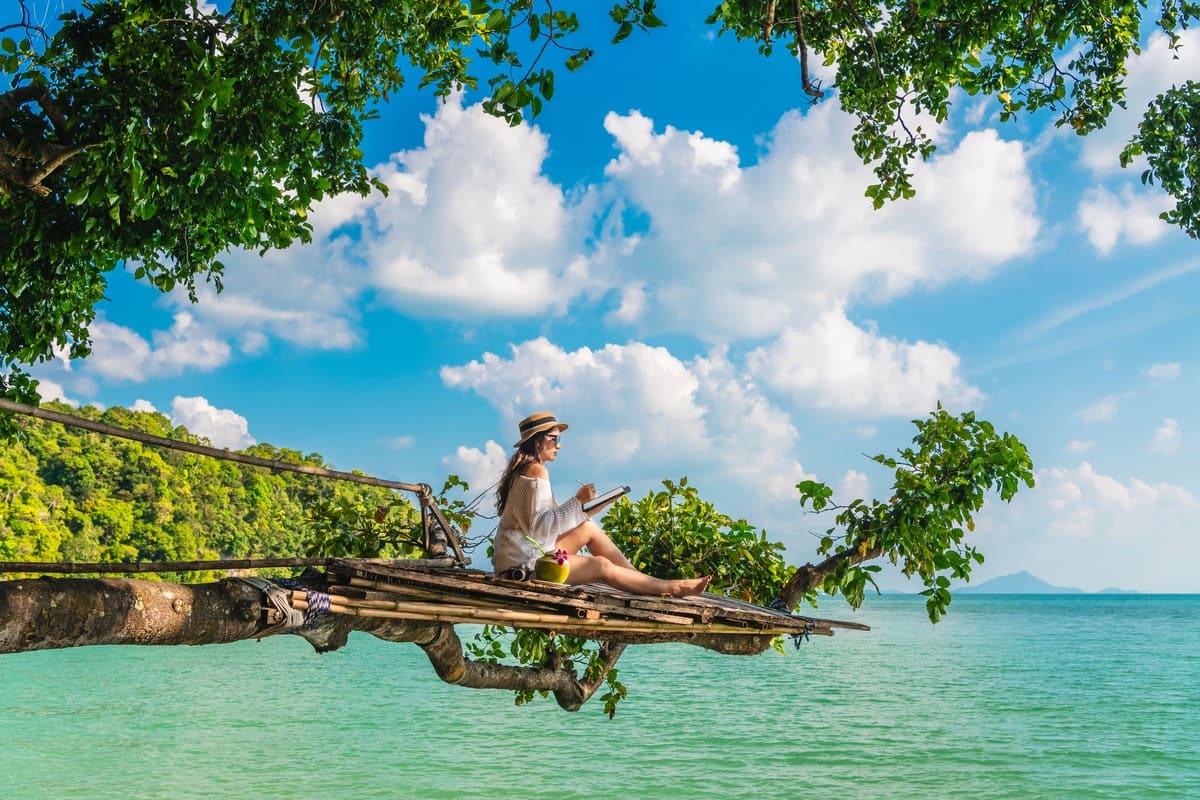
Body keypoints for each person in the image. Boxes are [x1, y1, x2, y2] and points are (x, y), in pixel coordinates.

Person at [492, 411, 711, 597]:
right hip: (525, 566)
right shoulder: (536, 471)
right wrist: (578, 501)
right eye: (554, 439)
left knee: (588, 527)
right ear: (537, 440)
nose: (559, 445)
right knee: (600, 565)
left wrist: (587, 509)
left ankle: (643, 582)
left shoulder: (527, 469)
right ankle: (669, 586)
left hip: (532, 553)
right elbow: (540, 527)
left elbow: (541, 527)